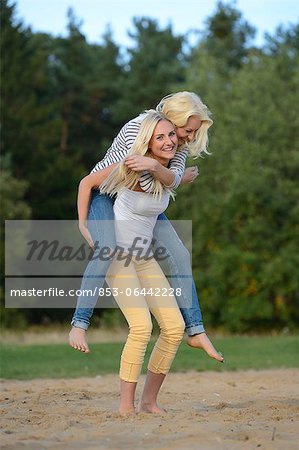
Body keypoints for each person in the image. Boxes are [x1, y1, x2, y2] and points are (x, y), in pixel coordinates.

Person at [69, 91, 224, 363]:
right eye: (187, 130)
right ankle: (79, 324)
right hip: (105, 191)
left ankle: (195, 330)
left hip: (141, 201)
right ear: (171, 120)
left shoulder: (176, 143)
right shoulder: (137, 131)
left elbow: (170, 179)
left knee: (180, 254)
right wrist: (83, 223)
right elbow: (98, 181)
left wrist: (168, 173)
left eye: (191, 132)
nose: (188, 137)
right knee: (107, 247)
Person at [79, 110, 185, 414]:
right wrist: (84, 224)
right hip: (119, 259)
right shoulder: (129, 165)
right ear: (147, 142)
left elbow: (177, 177)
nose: (168, 142)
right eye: (159, 137)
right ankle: (126, 407)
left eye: (171, 135)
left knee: (174, 328)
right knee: (141, 327)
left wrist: (183, 174)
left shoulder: (168, 171)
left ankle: (149, 401)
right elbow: (87, 183)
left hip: (144, 258)